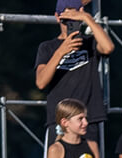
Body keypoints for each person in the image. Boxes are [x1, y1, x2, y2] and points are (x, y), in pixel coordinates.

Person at [35, 0, 115, 149]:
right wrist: (61, 51)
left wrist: (87, 19)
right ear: (57, 17)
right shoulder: (47, 47)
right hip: (60, 119)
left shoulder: (89, 43)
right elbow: (41, 82)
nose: (71, 25)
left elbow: (108, 47)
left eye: (75, 20)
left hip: (87, 118)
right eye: (66, 20)